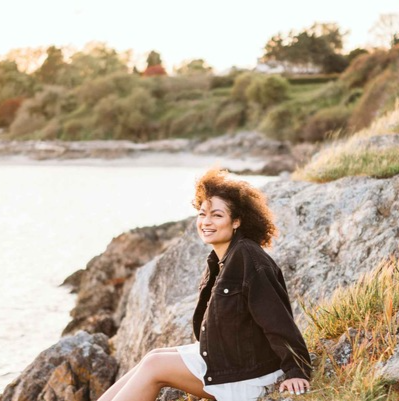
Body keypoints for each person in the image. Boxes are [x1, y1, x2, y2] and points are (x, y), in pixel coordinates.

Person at [98, 169, 312, 401]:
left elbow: (277, 319)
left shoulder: (249, 259)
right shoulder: (221, 258)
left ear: (237, 221)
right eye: (202, 214)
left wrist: (296, 370)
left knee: (154, 365)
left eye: (217, 216)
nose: (206, 222)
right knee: (153, 355)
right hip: (230, 356)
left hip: (249, 373)